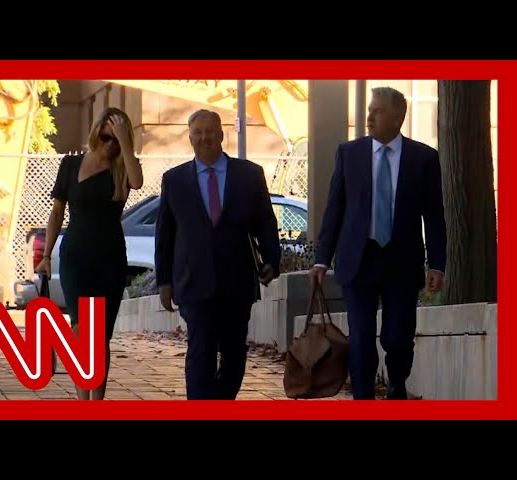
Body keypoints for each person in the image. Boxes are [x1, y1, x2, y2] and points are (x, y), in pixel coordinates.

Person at [309, 87, 447, 400]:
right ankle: (363, 398)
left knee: (398, 338)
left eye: (378, 111)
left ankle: (396, 384)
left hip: (402, 260)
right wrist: (321, 260)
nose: (369, 117)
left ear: (398, 118)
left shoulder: (423, 158)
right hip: (359, 260)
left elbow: (434, 215)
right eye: (369, 110)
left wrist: (437, 264)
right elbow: (334, 209)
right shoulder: (349, 154)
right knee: (360, 337)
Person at [155, 109, 281, 400]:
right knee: (201, 349)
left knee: (234, 352)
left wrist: (271, 260)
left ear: (222, 135)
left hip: (236, 280)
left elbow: (265, 221)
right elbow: (165, 235)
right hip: (193, 281)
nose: (204, 138)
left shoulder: (249, 175)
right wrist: (164, 281)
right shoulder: (174, 180)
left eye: (210, 131)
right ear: (190, 138)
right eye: (197, 133)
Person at [36, 107, 143, 400]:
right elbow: (57, 211)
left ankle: (97, 402)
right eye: (106, 137)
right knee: (82, 328)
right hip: (76, 256)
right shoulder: (71, 164)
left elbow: (137, 182)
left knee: (101, 335)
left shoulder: (124, 166)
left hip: (109, 258)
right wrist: (46, 255)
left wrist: (126, 142)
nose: (110, 144)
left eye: (116, 140)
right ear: (96, 133)